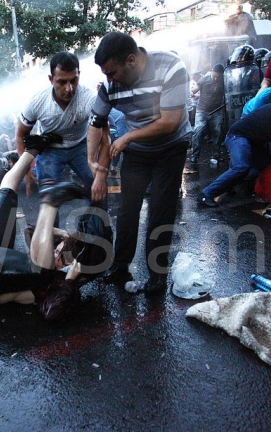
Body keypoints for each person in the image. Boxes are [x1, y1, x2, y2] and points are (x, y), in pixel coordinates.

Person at [87, 31, 192, 294]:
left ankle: (157, 275)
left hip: (171, 147)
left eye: (112, 73)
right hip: (137, 151)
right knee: (127, 209)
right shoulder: (111, 85)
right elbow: (96, 124)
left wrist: (127, 137)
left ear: (131, 61)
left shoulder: (170, 67)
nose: (108, 80)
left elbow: (170, 123)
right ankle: (120, 266)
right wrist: (94, 165)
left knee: (160, 210)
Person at [0, 134, 112, 321]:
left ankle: (49, 202)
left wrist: (70, 280)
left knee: (43, 273)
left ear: (70, 264)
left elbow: (52, 313)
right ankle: (32, 150)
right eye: (57, 249)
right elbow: (30, 231)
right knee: (7, 195)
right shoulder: (36, 263)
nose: (54, 252)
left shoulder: (58, 284)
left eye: (59, 255)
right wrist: (59, 233)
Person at [15, 52, 97, 194]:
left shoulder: (89, 97)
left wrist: (98, 168)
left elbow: (102, 132)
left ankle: (96, 216)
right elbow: (20, 135)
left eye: (73, 80)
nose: (69, 88)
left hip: (81, 145)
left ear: (79, 76)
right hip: (50, 148)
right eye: (62, 82)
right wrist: (26, 169)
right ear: (51, 79)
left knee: (97, 184)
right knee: (48, 194)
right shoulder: (36, 102)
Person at [197, 101, 271, 207]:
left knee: (262, 166)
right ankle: (206, 194)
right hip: (238, 136)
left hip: (254, 140)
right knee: (241, 166)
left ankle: (229, 185)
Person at [190, 64, 225, 164]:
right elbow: (194, 90)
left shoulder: (223, 81)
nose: (215, 78)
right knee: (198, 131)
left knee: (217, 133)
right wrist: (192, 94)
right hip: (202, 110)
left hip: (216, 110)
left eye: (218, 77)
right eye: (214, 76)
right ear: (212, 71)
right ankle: (195, 155)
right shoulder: (204, 79)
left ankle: (216, 155)